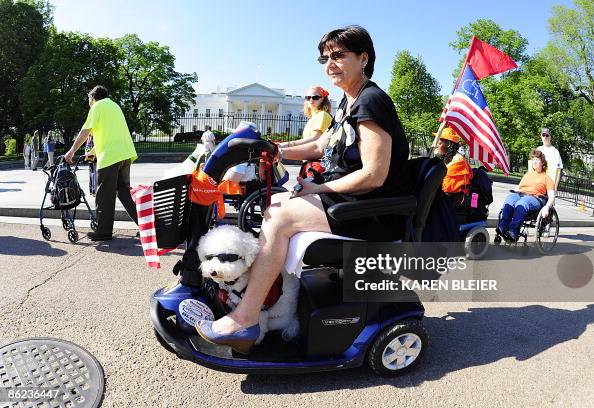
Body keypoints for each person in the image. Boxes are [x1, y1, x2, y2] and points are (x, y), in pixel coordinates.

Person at [195, 25, 410, 353]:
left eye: (339, 55)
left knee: (279, 216)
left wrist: (318, 190)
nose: (330, 64)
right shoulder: (348, 102)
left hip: (370, 211)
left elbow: (374, 175)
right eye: (326, 58)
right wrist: (276, 149)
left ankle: (246, 318)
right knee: (270, 201)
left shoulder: (372, 101)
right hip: (349, 201)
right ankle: (267, 299)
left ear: (363, 58)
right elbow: (319, 145)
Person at [65, 85, 138, 241]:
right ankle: (145, 226)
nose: (89, 102)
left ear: (93, 97)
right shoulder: (115, 106)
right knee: (124, 193)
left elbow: (86, 130)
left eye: (89, 98)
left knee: (104, 195)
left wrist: (71, 152)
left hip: (110, 157)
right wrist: (91, 153)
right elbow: (109, 135)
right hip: (125, 155)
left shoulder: (97, 107)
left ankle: (103, 232)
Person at [497, 149, 555, 242]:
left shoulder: (546, 178)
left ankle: (513, 231)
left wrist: (547, 207)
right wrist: (514, 191)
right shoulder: (528, 174)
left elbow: (552, 196)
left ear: (543, 163)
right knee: (510, 199)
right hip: (521, 194)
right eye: (534, 160)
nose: (535, 162)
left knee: (522, 203)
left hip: (535, 198)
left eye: (537, 160)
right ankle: (502, 227)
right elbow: (520, 187)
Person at [433, 126, 472, 195]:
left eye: (439, 143)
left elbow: (447, 187)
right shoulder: (446, 158)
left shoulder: (458, 161)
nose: (436, 146)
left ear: (448, 144)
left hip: (450, 201)